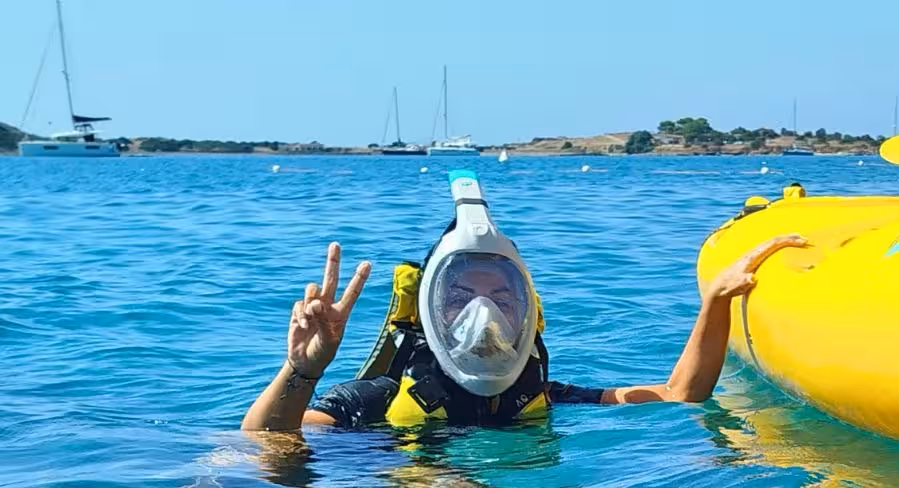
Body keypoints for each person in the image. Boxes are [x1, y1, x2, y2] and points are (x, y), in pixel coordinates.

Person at [242, 170, 806, 432]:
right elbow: (266, 444)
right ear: (432, 313)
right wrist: (301, 370)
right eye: (460, 296)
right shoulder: (381, 400)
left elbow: (680, 396)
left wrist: (714, 303)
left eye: (500, 297)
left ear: (528, 313)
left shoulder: (543, 396)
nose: (482, 314)